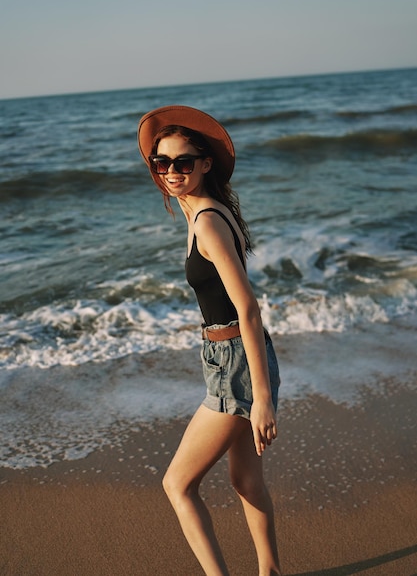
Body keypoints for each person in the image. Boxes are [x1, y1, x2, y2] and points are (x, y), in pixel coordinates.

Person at [138, 105, 281, 576]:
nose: (172, 171)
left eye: (183, 162)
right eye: (163, 163)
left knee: (177, 483)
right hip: (233, 356)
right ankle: (270, 571)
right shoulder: (204, 211)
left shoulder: (208, 222)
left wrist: (260, 398)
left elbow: (249, 308)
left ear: (205, 164)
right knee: (244, 479)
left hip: (237, 362)